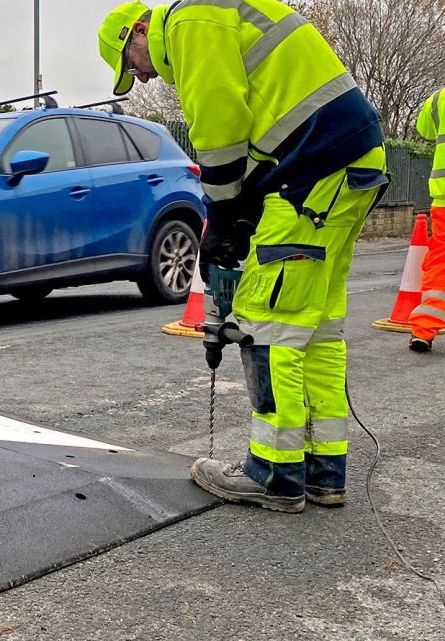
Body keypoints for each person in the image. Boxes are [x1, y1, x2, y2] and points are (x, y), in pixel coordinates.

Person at [98, 1, 388, 513]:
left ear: (139, 30)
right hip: (348, 163)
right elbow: (261, 131)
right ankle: (324, 471)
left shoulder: (191, 19)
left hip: (310, 175)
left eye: (131, 63)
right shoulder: (225, 13)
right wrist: (237, 212)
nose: (139, 78)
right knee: (314, 325)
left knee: (266, 320)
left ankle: (274, 474)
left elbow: (220, 120)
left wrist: (225, 210)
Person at [408, 88, 445, 353]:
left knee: (440, 260)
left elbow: (425, 129)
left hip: (443, 197)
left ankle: (423, 329)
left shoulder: (439, 97)